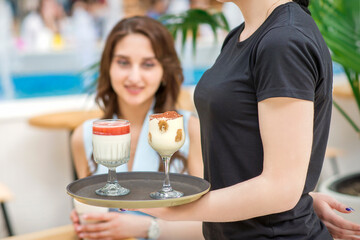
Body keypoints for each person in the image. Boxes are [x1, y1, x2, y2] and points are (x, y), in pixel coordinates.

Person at [69, 16, 360, 240]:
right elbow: (253, 183)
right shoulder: (240, 38)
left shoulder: (283, 40)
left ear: (164, 71)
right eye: (122, 62)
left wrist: (149, 223)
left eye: (148, 64)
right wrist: (299, 199)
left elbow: (274, 188)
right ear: (107, 67)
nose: (134, 76)